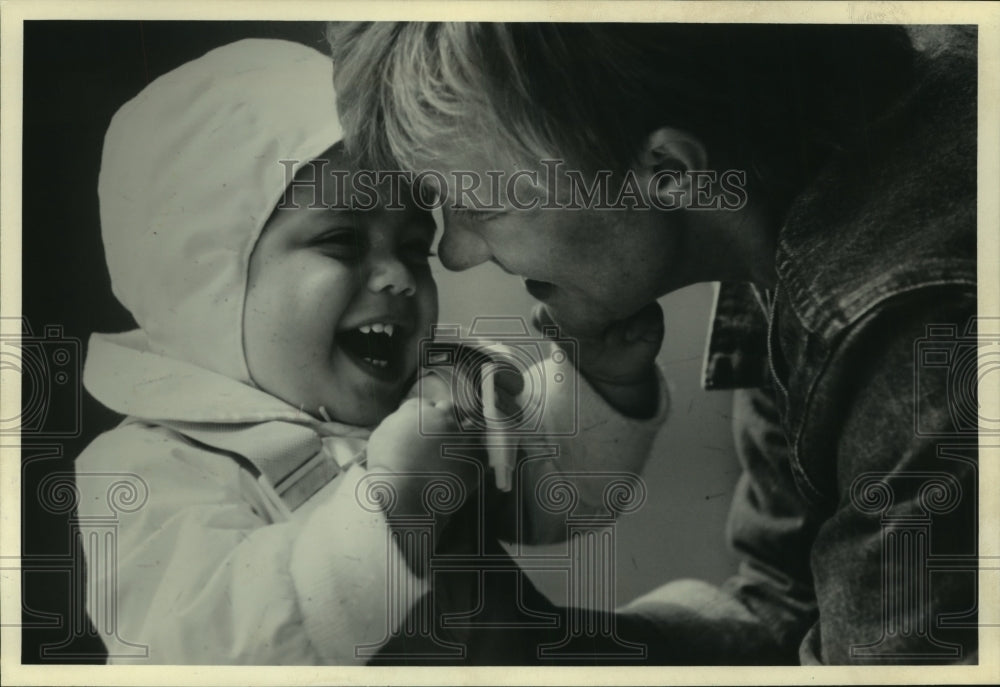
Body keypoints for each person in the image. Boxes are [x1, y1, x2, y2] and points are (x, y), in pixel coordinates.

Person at [325, 22, 979, 664]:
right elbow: (788, 606)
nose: (455, 254)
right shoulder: (796, 216)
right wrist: (517, 647)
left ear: (667, 170)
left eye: (482, 209)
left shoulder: (911, 327)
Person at [75, 37, 668, 664]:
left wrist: (601, 380)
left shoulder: (440, 392)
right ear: (209, 284)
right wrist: (389, 514)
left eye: (413, 248)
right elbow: (198, 653)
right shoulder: (156, 464)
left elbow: (555, 493)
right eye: (342, 240)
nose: (398, 277)